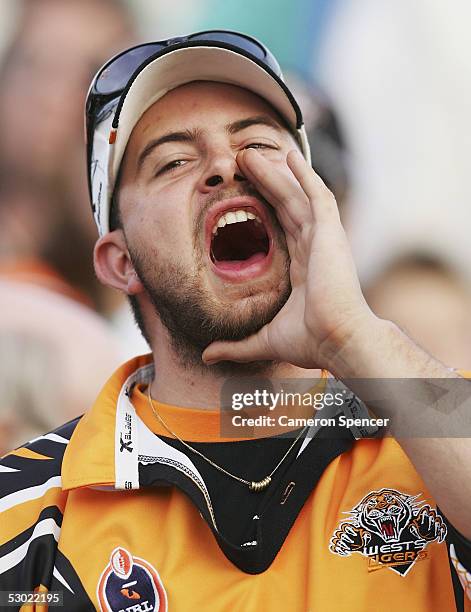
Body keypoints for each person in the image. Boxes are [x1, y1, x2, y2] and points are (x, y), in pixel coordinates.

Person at [0, 31, 470, 611]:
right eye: (173, 160)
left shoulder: (429, 433)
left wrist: (354, 337)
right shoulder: (28, 511)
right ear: (120, 262)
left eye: (258, 146)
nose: (225, 166)